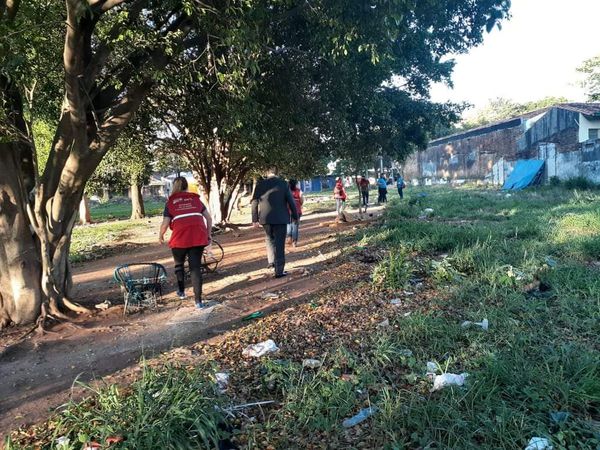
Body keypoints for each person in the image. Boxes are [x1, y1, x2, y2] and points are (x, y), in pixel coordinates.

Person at [159, 176, 212, 308]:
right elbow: (209, 218)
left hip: (180, 238)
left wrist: (161, 235)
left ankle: (181, 291)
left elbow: (165, 224)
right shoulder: (195, 199)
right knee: (195, 268)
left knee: (179, 264)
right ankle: (198, 301)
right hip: (198, 236)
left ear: (174, 187)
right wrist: (208, 234)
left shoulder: (170, 202)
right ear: (187, 186)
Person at [252, 168, 299, 278]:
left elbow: (254, 202)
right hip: (280, 218)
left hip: (265, 218)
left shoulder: (260, 184)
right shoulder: (283, 184)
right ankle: (279, 270)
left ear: (266, 174)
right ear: (278, 174)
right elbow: (291, 201)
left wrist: (254, 219)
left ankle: (271, 262)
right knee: (279, 243)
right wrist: (295, 216)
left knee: (269, 238)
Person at [286, 179, 304, 247]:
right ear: (296, 184)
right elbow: (302, 200)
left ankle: (289, 237)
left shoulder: (286, 191)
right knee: (295, 225)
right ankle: (294, 242)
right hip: (297, 211)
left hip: (287, 211)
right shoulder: (299, 191)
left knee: (288, 224)